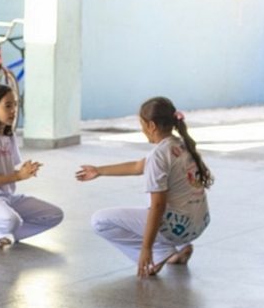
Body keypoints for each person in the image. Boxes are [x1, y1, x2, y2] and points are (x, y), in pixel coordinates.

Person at [76, 96, 213, 278]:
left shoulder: (159, 155)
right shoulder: (180, 144)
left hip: (178, 228)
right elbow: (137, 166)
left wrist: (146, 249)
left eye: (141, 124)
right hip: (198, 225)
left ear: (151, 126)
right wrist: (99, 171)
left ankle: (159, 253)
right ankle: (179, 248)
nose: (141, 129)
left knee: (99, 221)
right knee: (163, 196)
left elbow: (158, 206)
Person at [0, 84, 63, 249]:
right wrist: (19, 176)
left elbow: (7, 172)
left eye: (15, 105)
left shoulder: (8, 135)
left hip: (7, 198)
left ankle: (6, 236)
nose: (13, 110)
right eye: (7, 106)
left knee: (54, 215)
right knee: (11, 220)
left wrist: (23, 171)